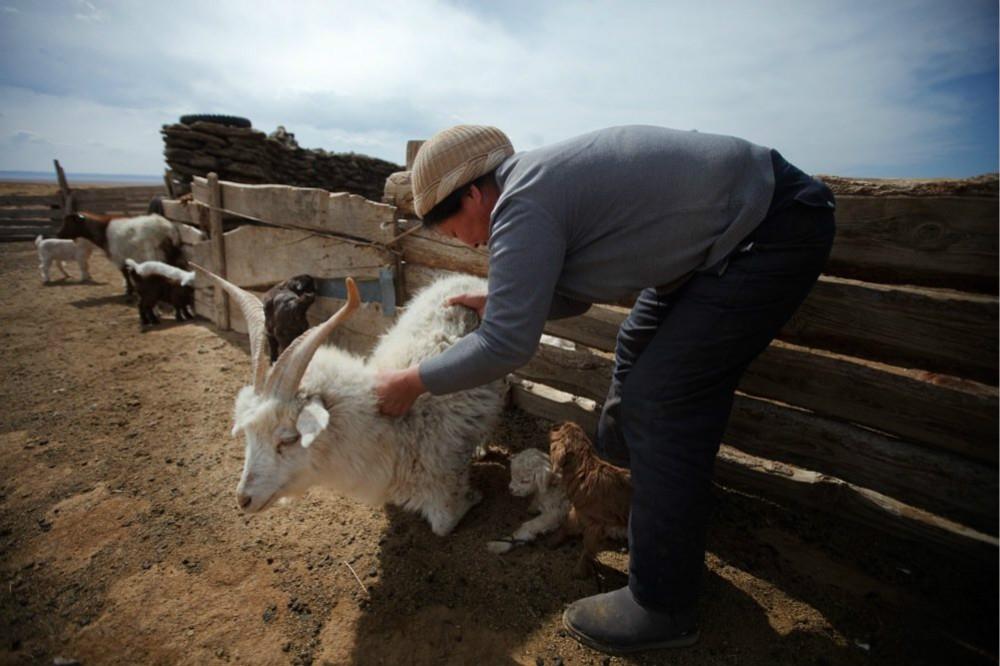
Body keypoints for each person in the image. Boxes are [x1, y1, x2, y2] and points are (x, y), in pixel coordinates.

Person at [375, 124, 835, 655]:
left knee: (664, 399)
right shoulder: (533, 187)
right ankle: (620, 507)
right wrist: (506, 300)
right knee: (636, 351)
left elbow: (506, 346)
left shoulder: (521, 205)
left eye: (454, 230)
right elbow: (574, 297)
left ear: (474, 194)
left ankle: (663, 603)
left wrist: (411, 382)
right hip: (717, 245)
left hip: (767, 227)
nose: (467, 243)